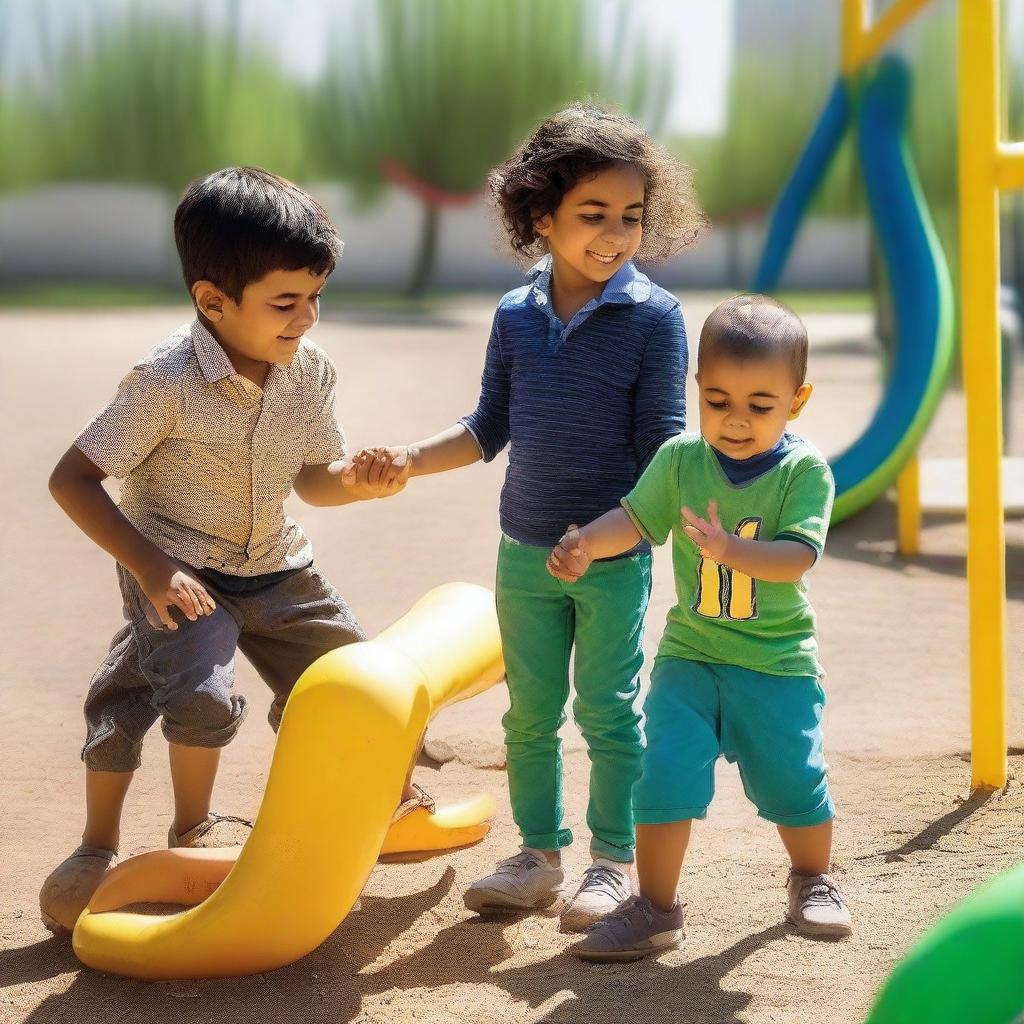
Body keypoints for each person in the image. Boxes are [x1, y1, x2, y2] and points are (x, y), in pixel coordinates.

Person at [352, 105, 706, 931]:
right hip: (524, 553)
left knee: (609, 710)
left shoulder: (655, 318)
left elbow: (664, 450)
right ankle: (538, 857)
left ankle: (611, 863)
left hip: (612, 556)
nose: (615, 235)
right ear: (540, 216)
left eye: (631, 217)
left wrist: (610, 536)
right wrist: (407, 458)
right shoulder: (515, 314)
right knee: (530, 716)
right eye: (593, 216)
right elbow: (487, 427)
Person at [38, 166, 415, 934]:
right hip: (182, 572)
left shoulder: (309, 371)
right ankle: (191, 831)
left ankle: (381, 798)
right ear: (212, 301)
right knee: (198, 696)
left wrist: (360, 482)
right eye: (285, 302)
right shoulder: (163, 382)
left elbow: (315, 481)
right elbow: (72, 479)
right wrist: (150, 567)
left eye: (315, 297)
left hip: (279, 564)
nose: (306, 318)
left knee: (355, 678)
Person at [547, 295, 853, 961]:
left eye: (759, 405)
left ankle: (813, 878)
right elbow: (633, 518)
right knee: (663, 776)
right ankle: (656, 908)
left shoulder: (804, 473)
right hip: (690, 657)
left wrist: (729, 550)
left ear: (796, 401)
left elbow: (798, 556)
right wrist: (583, 544)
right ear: (698, 392)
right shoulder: (682, 459)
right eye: (717, 401)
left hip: (775, 664)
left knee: (793, 780)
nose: (736, 420)